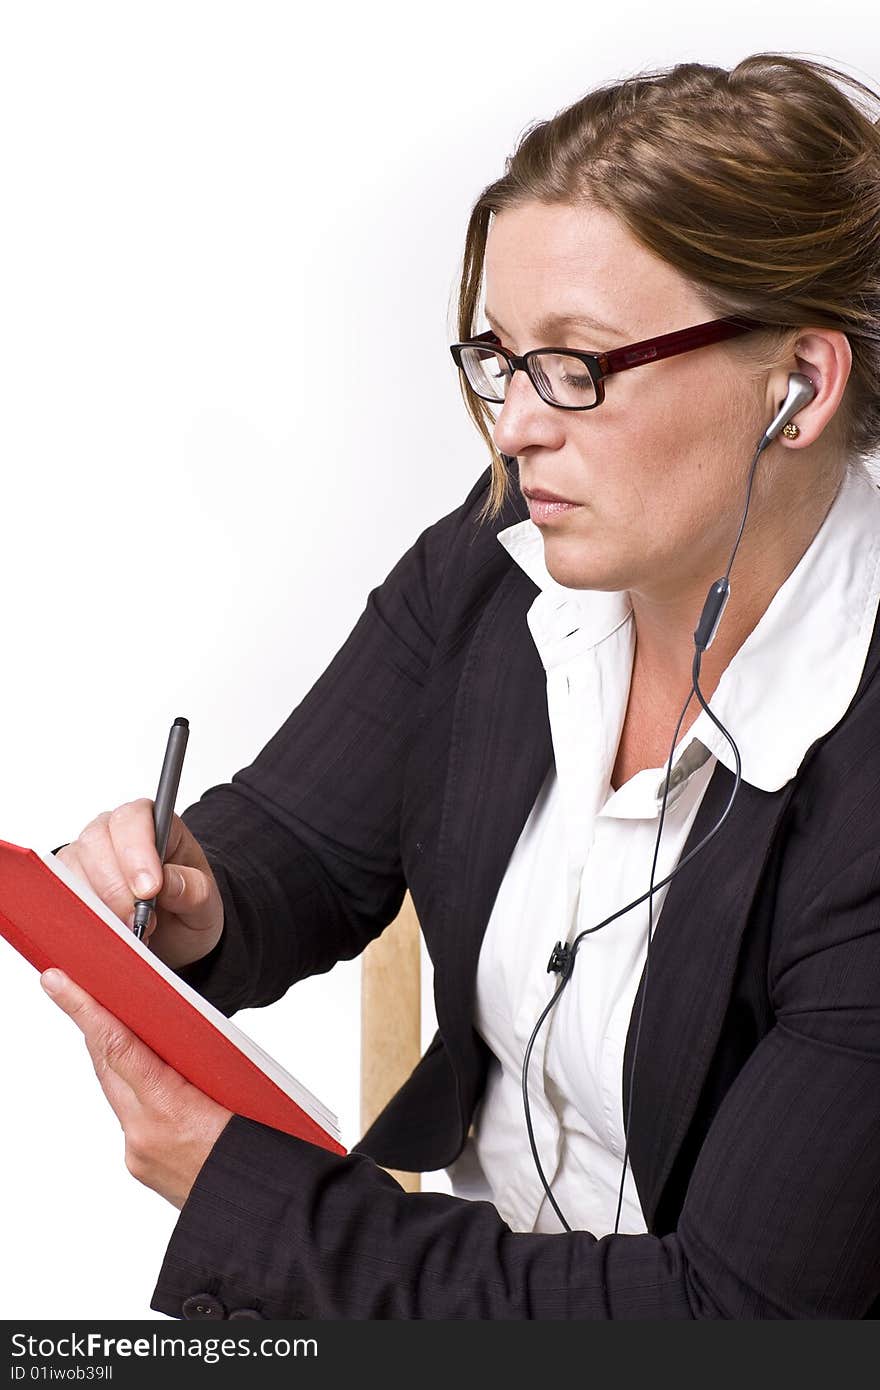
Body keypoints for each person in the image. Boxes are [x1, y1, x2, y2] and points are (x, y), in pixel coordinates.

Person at [42, 51, 880, 1319]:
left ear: (798, 387)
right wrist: (201, 898)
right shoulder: (498, 562)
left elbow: (739, 1317)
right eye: (503, 358)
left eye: (579, 366)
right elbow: (307, 842)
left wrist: (255, 1205)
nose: (513, 428)